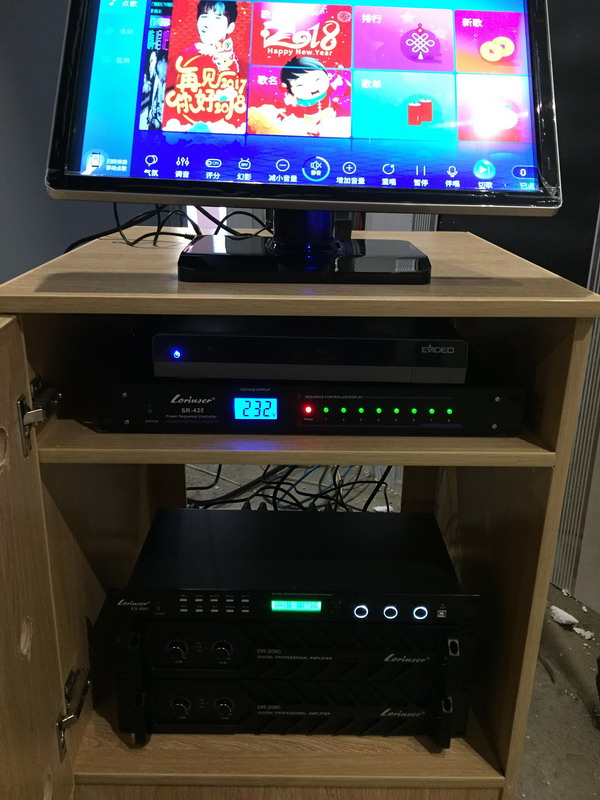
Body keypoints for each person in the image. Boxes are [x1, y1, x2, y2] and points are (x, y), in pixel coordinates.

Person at [280, 57, 350, 135]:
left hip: (326, 111)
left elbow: (332, 89)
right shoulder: (300, 100)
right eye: (301, 85)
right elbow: (293, 107)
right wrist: (291, 101)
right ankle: (313, 133)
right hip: (310, 116)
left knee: (328, 119)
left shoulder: (324, 92)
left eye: (317, 80)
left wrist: (336, 82)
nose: (312, 88)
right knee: (309, 126)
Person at [181, 0, 240, 73]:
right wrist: (193, 50)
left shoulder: (239, 66)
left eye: (217, 18)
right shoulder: (185, 55)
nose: (208, 24)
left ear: (230, 27)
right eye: (204, 16)